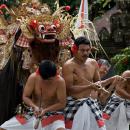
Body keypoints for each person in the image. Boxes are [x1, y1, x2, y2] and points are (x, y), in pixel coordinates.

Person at [0, 60, 66, 130]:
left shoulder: (60, 81)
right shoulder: (33, 77)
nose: (46, 81)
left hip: (53, 115)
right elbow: (25, 97)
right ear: (39, 74)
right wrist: (34, 107)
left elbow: (62, 103)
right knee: (3, 128)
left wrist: (46, 110)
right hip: (32, 113)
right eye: (44, 79)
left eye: (49, 80)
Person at [62, 36, 107, 130]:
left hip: (90, 103)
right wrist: (90, 86)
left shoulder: (93, 63)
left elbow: (98, 83)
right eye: (82, 50)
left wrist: (109, 82)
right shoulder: (68, 66)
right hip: (73, 104)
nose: (86, 53)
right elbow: (69, 89)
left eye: (88, 50)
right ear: (75, 49)